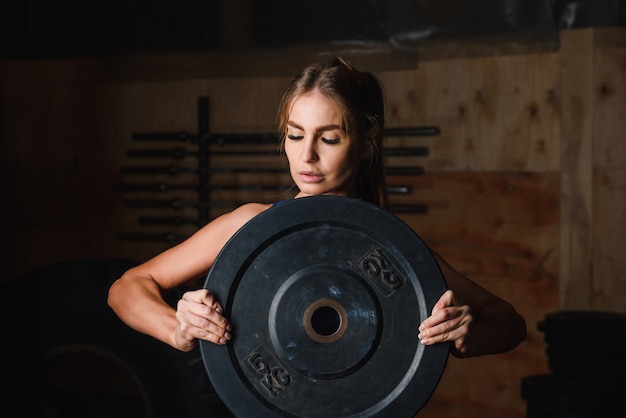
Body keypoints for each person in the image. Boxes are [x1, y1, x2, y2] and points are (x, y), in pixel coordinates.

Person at [108, 54, 526, 359]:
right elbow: (126, 287)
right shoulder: (252, 226)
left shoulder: (392, 251)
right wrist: (177, 328)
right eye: (294, 135)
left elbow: (508, 322)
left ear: (365, 144)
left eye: (328, 139)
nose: (306, 156)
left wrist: (467, 334)